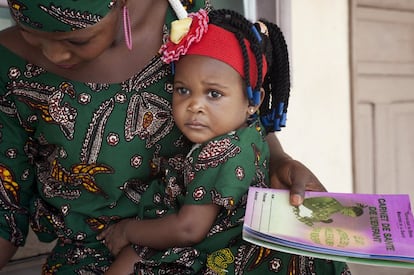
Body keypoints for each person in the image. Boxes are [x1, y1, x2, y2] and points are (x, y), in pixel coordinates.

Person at [0, 0, 339, 273]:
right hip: (98, 252)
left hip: (204, 243)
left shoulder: (190, 28)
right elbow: (6, 200)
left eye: (77, 39)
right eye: (31, 34)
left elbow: (243, 125)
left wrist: (278, 160)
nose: (55, 54)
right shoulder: (8, 65)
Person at [97, 8, 351, 274]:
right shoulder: (249, 132)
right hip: (215, 235)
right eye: (183, 90)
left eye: (214, 94)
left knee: (128, 261)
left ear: (253, 102)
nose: (194, 105)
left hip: (217, 250)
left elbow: (188, 229)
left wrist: (127, 231)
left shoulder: (222, 153)